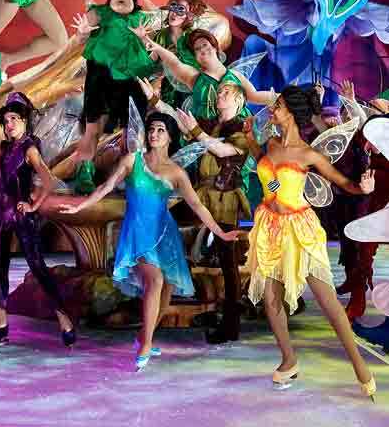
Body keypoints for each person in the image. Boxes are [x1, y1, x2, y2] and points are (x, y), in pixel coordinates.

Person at [59, 111, 239, 371]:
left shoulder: (176, 172)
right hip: (138, 235)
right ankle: (145, 345)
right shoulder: (133, 160)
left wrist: (220, 233)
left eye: (160, 130)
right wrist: (80, 206)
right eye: (152, 129)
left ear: (170, 137)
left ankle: (144, 335)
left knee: (166, 291)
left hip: (165, 236)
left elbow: (198, 206)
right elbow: (106, 187)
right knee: (154, 281)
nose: (154, 134)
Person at [243, 85, 376, 397]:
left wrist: (363, 188)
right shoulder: (270, 143)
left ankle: (360, 367)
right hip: (269, 227)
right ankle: (289, 360)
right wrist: (249, 139)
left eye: (277, 105)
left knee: (328, 302)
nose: (272, 110)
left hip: (299, 230)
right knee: (271, 299)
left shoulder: (308, 154)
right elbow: (265, 169)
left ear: (290, 111)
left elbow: (343, 183)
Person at [0, 92, 74, 347]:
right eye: (6, 121)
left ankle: (63, 317)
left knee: (37, 265)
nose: (9, 124)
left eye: (14, 119)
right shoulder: (4, 147)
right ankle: (0, 320)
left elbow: (48, 180)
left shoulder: (30, 148)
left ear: (24, 120)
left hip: (20, 214)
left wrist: (33, 205)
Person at [175, 81, 251, 343]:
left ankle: (231, 324)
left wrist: (195, 130)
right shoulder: (212, 126)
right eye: (219, 91)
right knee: (207, 251)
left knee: (227, 260)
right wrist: (154, 99)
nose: (221, 94)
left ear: (239, 101)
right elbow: (186, 124)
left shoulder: (240, 130)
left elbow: (221, 149)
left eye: (227, 92)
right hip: (204, 194)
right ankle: (211, 310)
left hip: (224, 198)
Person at [70, 0, 156, 189]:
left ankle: (132, 172)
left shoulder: (142, 19)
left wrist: (143, 39)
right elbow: (80, 39)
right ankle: (85, 173)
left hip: (132, 78)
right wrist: (82, 33)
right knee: (93, 127)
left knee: (133, 129)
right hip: (101, 76)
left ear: (134, 0)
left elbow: (152, 51)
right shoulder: (100, 13)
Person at [138, 28, 274, 120]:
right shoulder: (194, 77)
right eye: (197, 49)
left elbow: (255, 96)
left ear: (214, 47)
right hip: (209, 133)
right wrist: (155, 46)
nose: (203, 49)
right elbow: (174, 62)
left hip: (241, 127)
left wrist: (281, 98)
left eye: (205, 44)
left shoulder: (235, 75)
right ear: (195, 57)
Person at [153, 0, 207, 109]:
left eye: (181, 10)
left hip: (189, 87)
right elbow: (154, 64)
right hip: (166, 86)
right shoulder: (161, 35)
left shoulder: (194, 37)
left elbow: (198, 67)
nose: (174, 13)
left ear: (190, 16)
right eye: (173, 6)